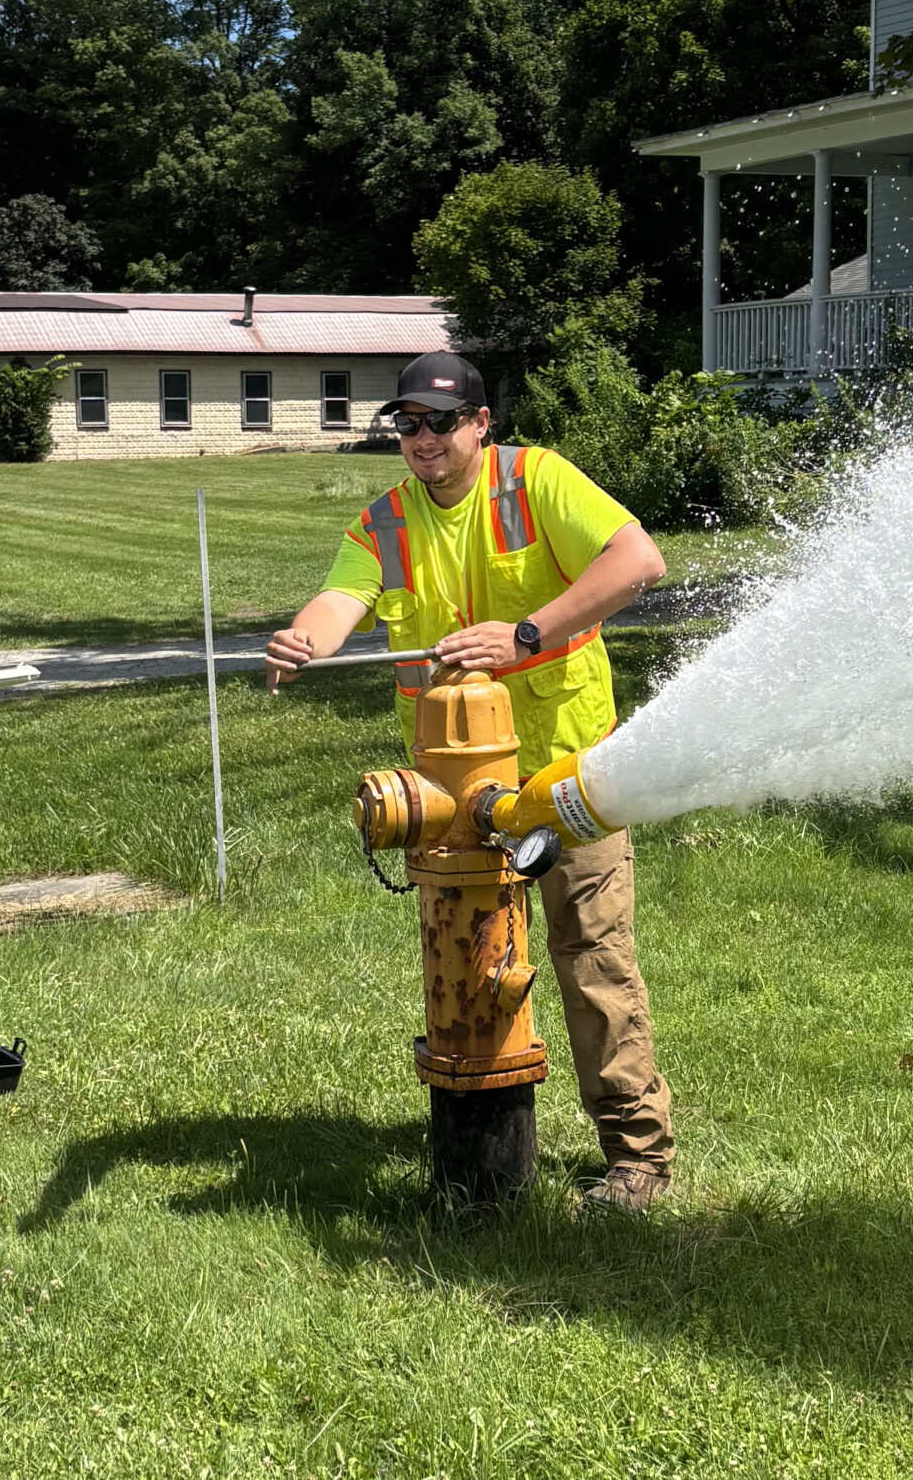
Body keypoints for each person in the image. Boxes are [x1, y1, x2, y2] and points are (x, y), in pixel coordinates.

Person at [264, 351, 676, 1212]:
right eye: (406, 424)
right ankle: (483, 1155)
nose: (421, 438)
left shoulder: (536, 482)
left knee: (591, 956)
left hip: (567, 776)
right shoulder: (385, 523)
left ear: (481, 425)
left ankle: (637, 1156)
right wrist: (307, 638)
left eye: (439, 422)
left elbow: (639, 561)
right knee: (468, 964)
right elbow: (340, 600)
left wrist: (524, 635)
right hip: (456, 793)